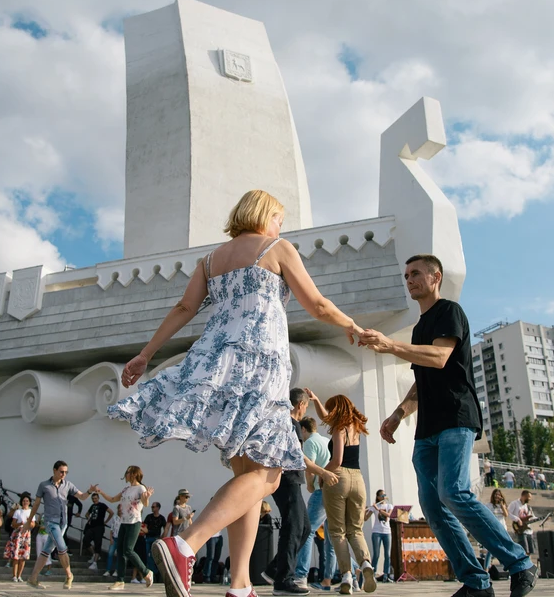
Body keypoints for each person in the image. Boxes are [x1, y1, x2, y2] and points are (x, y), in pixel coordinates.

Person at [106, 189, 363, 597]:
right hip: (259, 365)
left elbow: (183, 309)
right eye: (279, 217)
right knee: (271, 474)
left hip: (218, 364)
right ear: (266, 216)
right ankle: (184, 545)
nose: (282, 225)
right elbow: (316, 303)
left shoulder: (210, 260)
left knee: (249, 474)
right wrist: (353, 325)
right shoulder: (277, 248)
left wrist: (146, 355)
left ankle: (241, 583)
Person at [363, 253, 537, 597]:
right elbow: (420, 382)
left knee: (453, 491)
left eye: (416, 273)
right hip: (426, 427)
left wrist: (389, 344)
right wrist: (398, 414)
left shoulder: (450, 312)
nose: (409, 279)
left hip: (457, 418)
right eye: (406, 275)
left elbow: (440, 357)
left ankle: (520, 563)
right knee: (431, 505)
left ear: (436, 277)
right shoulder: (418, 328)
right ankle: (476, 581)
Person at [265, 388, 338, 595]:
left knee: (304, 527)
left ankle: (275, 570)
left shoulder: (290, 424)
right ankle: (283, 580)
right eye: (306, 405)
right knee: (294, 527)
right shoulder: (292, 424)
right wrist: (323, 473)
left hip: (289, 480)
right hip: (288, 480)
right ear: (301, 405)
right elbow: (301, 459)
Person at [310, 393, 375, 594]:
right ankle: (365, 564)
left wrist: (322, 474)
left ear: (337, 410)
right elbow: (325, 417)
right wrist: (317, 401)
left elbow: (337, 459)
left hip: (338, 478)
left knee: (337, 531)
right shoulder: (357, 427)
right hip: (358, 480)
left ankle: (346, 575)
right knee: (355, 530)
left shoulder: (340, 428)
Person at [23, 460, 98, 590]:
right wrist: (29, 521)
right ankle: (69, 575)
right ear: (54, 470)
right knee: (62, 547)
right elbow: (35, 504)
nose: (64, 474)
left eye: (66, 472)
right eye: (61, 472)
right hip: (51, 522)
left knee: (46, 551)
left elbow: (82, 496)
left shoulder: (68, 485)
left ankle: (32, 578)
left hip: (63, 523)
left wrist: (90, 491)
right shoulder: (44, 485)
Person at [296, 416, 338, 591]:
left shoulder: (309, 443)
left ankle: (300, 575)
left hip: (320, 491)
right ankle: (349, 573)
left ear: (304, 429)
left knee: (308, 531)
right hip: (334, 490)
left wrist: (309, 485)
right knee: (332, 538)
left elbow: (309, 466)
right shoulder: (326, 440)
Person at [97, 464, 154, 591]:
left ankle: (146, 572)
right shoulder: (126, 489)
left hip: (134, 522)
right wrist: (101, 492)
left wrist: (146, 498)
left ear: (134, 474)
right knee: (121, 551)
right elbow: (112, 499)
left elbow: (145, 503)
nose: (126, 475)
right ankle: (120, 581)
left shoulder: (141, 488)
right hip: (124, 522)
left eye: (128, 472)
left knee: (128, 550)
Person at [4, 493, 34, 582]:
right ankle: (14, 575)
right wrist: (20, 524)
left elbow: (33, 524)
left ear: (29, 502)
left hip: (26, 534)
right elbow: (13, 524)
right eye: (24, 501)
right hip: (18, 533)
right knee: (16, 555)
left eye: (27, 501)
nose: (25, 502)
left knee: (23, 555)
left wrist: (29, 522)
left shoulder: (31, 512)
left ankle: (19, 575)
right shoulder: (18, 511)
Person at [364, 490, 394, 582]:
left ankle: (386, 575)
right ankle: (372, 574)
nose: (384, 496)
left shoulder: (389, 506)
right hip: (376, 532)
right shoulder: (375, 507)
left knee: (387, 554)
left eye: (385, 495)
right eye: (382, 495)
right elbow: (365, 518)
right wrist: (363, 510)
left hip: (387, 532)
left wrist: (378, 509)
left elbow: (389, 515)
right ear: (378, 497)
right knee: (376, 554)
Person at [83, 492, 113, 571]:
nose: (94, 500)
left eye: (95, 498)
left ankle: (95, 563)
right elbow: (87, 514)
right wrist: (89, 519)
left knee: (98, 543)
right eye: (93, 499)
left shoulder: (102, 505)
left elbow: (111, 512)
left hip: (99, 527)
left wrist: (106, 522)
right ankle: (94, 555)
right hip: (91, 526)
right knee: (85, 540)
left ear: (98, 498)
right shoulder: (92, 506)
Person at [483, 489, 508, 571]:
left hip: (502, 528)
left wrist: (502, 505)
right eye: (496, 494)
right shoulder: (489, 505)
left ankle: (503, 568)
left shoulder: (502, 505)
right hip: (493, 529)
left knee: (502, 549)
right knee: (491, 549)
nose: (497, 496)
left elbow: (506, 515)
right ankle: (486, 569)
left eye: (499, 495)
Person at [506, 491, 536, 558]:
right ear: (523, 496)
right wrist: (517, 519)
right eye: (528, 497)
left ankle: (529, 564)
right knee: (524, 549)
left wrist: (544, 518)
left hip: (528, 530)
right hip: (520, 529)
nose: (529, 499)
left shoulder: (528, 507)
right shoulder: (514, 503)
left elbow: (532, 517)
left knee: (530, 550)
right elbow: (508, 513)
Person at [143, 502, 166, 578]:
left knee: (154, 556)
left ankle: (155, 572)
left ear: (158, 508)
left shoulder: (161, 518)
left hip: (156, 538)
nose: (152, 508)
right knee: (148, 555)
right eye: (152, 507)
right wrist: (146, 531)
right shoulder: (149, 517)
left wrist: (162, 537)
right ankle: (151, 571)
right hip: (148, 537)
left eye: (153, 507)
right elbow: (145, 526)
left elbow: (165, 529)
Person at [104, 504, 122, 578]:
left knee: (119, 555)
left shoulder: (125, 518)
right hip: (114, 538)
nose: (120, 510)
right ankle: (108, 570)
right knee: (110, 554)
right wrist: (111, 538)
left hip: (121, 539)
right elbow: (112, 529)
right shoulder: (115, 518)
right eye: (119, 509)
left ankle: (116, 571)